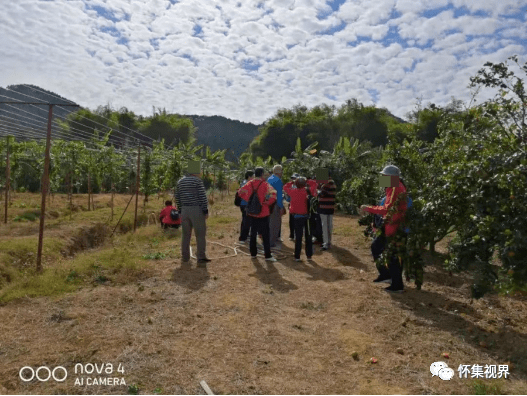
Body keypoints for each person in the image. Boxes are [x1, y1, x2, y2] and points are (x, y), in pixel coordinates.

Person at [360, 165, 408, 293]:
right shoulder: (394, 187)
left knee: (391, 255)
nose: (383, 178)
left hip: (393, 225)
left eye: (385, 176)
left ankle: (397, 284)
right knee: (377, 247)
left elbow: (386, 209)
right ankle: (386, 275)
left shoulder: (395, 188)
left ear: (392, 177)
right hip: (390, 224)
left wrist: (368, 208)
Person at [237, 167, 277, 262]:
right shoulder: (265, 185)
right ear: (262, 174)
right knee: (265, 235)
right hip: (263, 213)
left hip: (252, 213)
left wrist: (248, 200)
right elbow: (274, 196)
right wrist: (266, 203)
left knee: (253, 234)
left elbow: (240, 192)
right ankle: (267, 255)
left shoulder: (249, 183)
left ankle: (253, 254)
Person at [176, 169, 210, 267]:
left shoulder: (180, 181)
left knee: (185, 234)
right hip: (196, 209)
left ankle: (185, 257)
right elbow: (202, 196)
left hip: (184, 210)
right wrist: (205, 211)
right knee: (200, 234)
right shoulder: (197, 181)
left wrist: (180, 210)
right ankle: (201, 256)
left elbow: (177, 197)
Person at [283, 176, 313, 261]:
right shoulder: (307, 191)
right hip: (306, 217)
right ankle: (309, 255)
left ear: (296, 184)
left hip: (296, 217)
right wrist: (307, 180)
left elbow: (285, 187)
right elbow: (314, 185)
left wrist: (292, 182)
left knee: (298, 237)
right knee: (308, 236)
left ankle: (297, 256)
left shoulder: (293, 191)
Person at [267, 165, 285, 248]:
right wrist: (281, 206)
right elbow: (279, 196)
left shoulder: (269, 178)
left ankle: (269, 240)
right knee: (275, 223)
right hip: (275, 204)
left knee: (270, 222)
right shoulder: (278, 181)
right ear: (279, 172)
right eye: (281, 171)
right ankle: (271, 242)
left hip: (268, 203)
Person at [318, 177, 337, 250]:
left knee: (325, 226)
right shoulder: (333, 185)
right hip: (330, 208)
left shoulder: (325, 185)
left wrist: (318, 190)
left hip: (324, 208)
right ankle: (329, 242)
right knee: (329, 225)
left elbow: (321, 194)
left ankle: (325, 243)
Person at [238, 170, 254, 244]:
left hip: (244, 204)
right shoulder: (246, 183)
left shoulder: (244, 182)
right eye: (253, 176)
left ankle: (246, 236)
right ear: (249, 176)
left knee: (246, 220)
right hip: (245, 204)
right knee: (246, 221)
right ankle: (243, 238)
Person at [285, 173, 299, 241]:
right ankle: (292, 235)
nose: (293, 179)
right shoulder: (291, 185)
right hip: (292, 205)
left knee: (297, 220)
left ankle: (297, 235)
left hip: (299, 205)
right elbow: (287, 194)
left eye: (295, 178)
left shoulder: (300, 186)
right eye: (293, 178)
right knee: (291, 221)